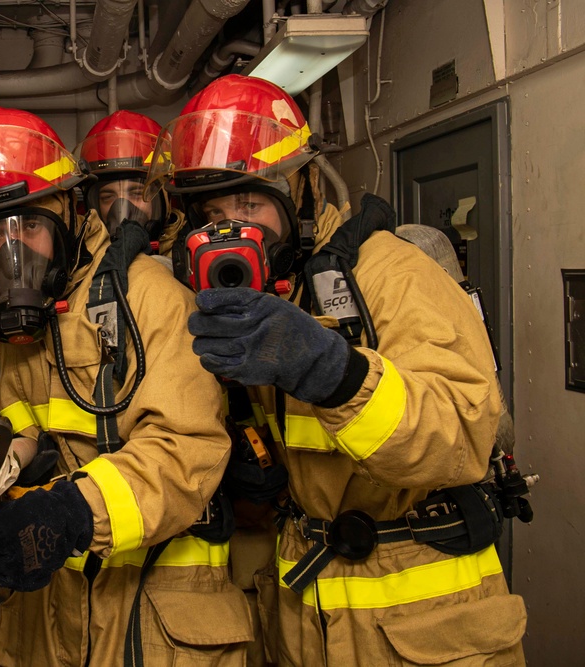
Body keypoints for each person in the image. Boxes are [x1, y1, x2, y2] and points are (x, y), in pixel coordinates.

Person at [147, 75, 527, 665]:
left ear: (300, 190)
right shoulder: (244, 297)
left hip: (424, 624)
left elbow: (464, 433)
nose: (232, 231)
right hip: (305, 613)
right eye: (212, 213)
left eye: (250, 204)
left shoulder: (389, 275)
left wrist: (336, 375)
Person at [0, 107, 254, 666]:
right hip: (46, 622)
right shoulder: (15, 331)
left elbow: (188, 449)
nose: (12, 253)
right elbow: (24, 420)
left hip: (151, 620)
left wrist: (75, 510)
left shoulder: (151, 298)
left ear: (69, 216)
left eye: (29, 226)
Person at [76, 110, 186, 258]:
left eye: (136, 193)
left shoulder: (190, 256)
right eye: (107, 197)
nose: (122, 211)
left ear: (166, 198)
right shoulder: (79, 264)